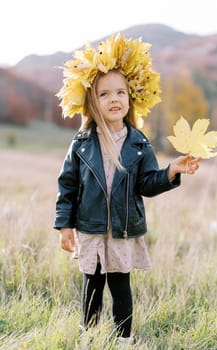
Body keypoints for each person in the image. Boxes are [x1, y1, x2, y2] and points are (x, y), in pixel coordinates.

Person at [54, 34, 200, 344]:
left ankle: (123, 340)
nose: (114, 99)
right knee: (91, 288)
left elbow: (147, 184)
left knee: (121, 288)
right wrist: (65, 225)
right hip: (91, 230)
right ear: (93, 100)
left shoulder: (138, 143)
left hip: (122, 231)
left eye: (121, 91)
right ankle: (88, 337)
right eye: (105, 94)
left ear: (132, 96)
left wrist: (171, 171)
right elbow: (67, 186)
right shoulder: (82, 143)